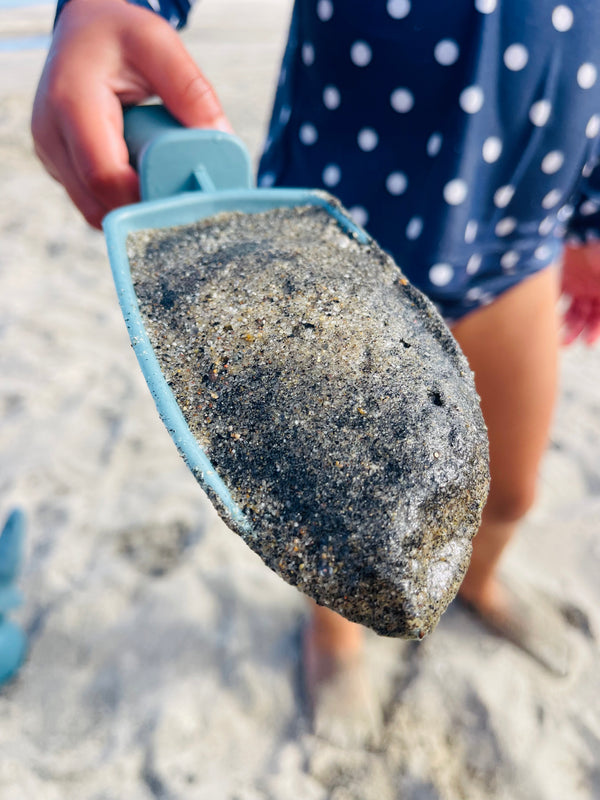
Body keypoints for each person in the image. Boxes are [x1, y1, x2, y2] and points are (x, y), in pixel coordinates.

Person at [31, 0, 600, 740]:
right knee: (333, 507)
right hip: (325, 246)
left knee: (511, 492)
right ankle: (335, 635)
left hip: (515, 247)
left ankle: (478, 581)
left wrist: (589, 213)